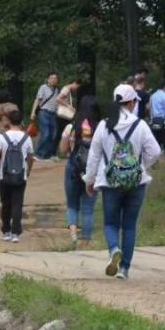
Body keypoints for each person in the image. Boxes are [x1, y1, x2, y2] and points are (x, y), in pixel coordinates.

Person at [84, 83, 162, 280]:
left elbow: (94, 156)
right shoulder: (140, 125)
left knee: (110, 223)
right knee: (129, 225)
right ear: (132, 102)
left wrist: (89, 180)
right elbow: (155, 152)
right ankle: (124, 269)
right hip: (136, 182)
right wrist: (140, 165)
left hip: (110, 183)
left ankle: (113, 250)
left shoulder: (104, 125)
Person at [59, 95, 102, 247]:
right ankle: (86, 242)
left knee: (72, 205)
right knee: (88, 209)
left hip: (73, 168)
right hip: (93, 170)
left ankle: (73, 235)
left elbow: (63, 150)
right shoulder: (101, 129)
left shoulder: (71, 128)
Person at [0, 109, 34, 243]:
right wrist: (28, 171)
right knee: (17, 204)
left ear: (9, 121)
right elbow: (30, 158)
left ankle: (6, 231)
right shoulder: (27, 138)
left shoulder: (3, 137)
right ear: (22, 122)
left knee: (6, 204)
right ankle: (16, 233)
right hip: (21, 176)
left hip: (5, 176)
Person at [30, 72, 61, 160]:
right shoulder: (43, 87)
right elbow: (37, 100)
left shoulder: (57, 90)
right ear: (48, 79)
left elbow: (57, 103)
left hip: (53, 114)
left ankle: (48, 155)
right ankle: (38, 154)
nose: (54, 80)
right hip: (44, 112)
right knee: (46, 133)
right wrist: (33, 112)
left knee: (53, 135)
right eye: (52, 78)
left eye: (55, 78)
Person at [148, 77, 165, 157]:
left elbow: (151, 109)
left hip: (154, 121)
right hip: (163, 122)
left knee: (156, 141)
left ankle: (155, 156)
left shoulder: (152, 96)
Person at [55, 79, 83, 143]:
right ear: (74, 83)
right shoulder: (66, 89)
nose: (76, 89)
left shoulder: (68, 90)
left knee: (63, 132)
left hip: (64, 116)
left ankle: (57, 149)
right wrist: (69, 106)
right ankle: (52, 150)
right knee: (61, 133)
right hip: (62, 116)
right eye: (77, 87)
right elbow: (58, 99)